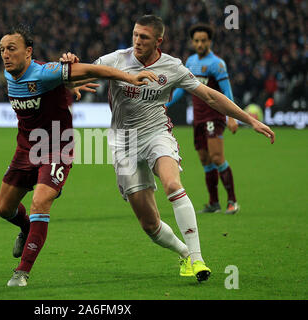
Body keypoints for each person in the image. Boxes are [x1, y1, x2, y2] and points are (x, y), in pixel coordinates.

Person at [63, 15, 275, 282]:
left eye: (144, 37)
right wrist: (70, 69)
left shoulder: (172, 67)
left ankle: (198, 259)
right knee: (150, 225)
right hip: (124, 142)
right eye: (135, 35)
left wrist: (250, 119)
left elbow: (209, 95)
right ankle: (185, 253)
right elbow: (73, 78)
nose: (137, 41)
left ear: (158, 41)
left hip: (156, 134)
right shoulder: (115, 59)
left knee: (173, 185)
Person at [0, 25, 157, 287]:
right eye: (2, 49)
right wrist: (68, 85)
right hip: (26, 149)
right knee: (4, 209)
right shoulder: (10, 72)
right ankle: (25, 229)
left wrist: (128, 78)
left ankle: (21, 272)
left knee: (40, 201)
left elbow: (94, 70)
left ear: (28, 53)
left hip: (57, 146)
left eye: (11, 49)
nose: (5, 54)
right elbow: (57, 83)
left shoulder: (45, 71)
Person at [166, 23, 240, 214]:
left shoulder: (217, 64)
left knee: (217, 157)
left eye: (203, 41)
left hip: (213, 117)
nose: (199, 44)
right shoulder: (190, 62)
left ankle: (232, 201)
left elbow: (227, 92)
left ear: (210, 41)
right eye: (196, 41)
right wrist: (165, 104)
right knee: (205, 160)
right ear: (193, 42)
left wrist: (232, 117)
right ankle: (213, 203)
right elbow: (182, 90)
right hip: (198, 119)